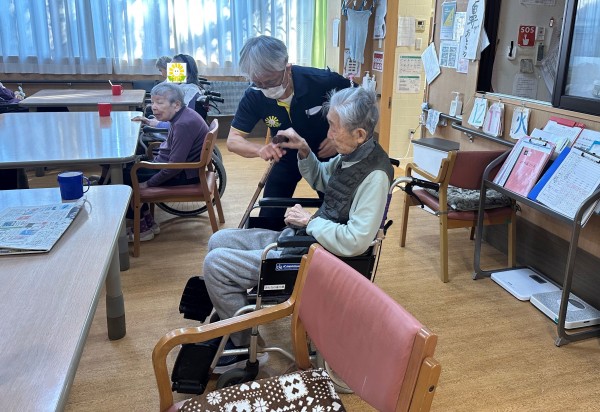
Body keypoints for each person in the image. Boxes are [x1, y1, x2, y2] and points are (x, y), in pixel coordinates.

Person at [202, 86, 393, 367]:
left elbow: (355, 240)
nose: (328, 134)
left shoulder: (375, 176)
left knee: (215, 265)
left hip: (320, 261)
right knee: (218, 240)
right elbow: (323, 179)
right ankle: (233, 311)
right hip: (306, 242)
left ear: (360, 134)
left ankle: (245, 348)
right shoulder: (352, 156)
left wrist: (310, 221)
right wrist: (304, 149)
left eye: (334, 127)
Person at [227, 35, 352, 220]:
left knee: (336, 213)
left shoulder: (322, 81)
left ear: (287, 67)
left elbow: (362, 104)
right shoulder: (254, 95)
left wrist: (339, 137)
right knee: (269, 215)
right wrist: (260, 149)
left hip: (326, 155)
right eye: (258, 83)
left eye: (270, 82)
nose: (265, 88)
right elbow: (233, 140)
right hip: (285, 156)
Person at [128, 82, 208, 241]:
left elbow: (174, 167)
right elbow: (167, 125)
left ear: (176, 105)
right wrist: (149, 121)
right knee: (130, 168)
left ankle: (142, 230)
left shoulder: (183, 125)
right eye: (152, 102)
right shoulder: (184, 114)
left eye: (159, 103)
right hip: (176, 168)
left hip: (182, 175)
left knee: (127, 176)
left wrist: (149, 183)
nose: (153, 107)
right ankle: (148, 223)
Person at [136, 54, 202, 128]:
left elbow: (183, 124)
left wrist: (156, 123)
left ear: (188, 72)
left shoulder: (190, 91)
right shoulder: (177, 86)